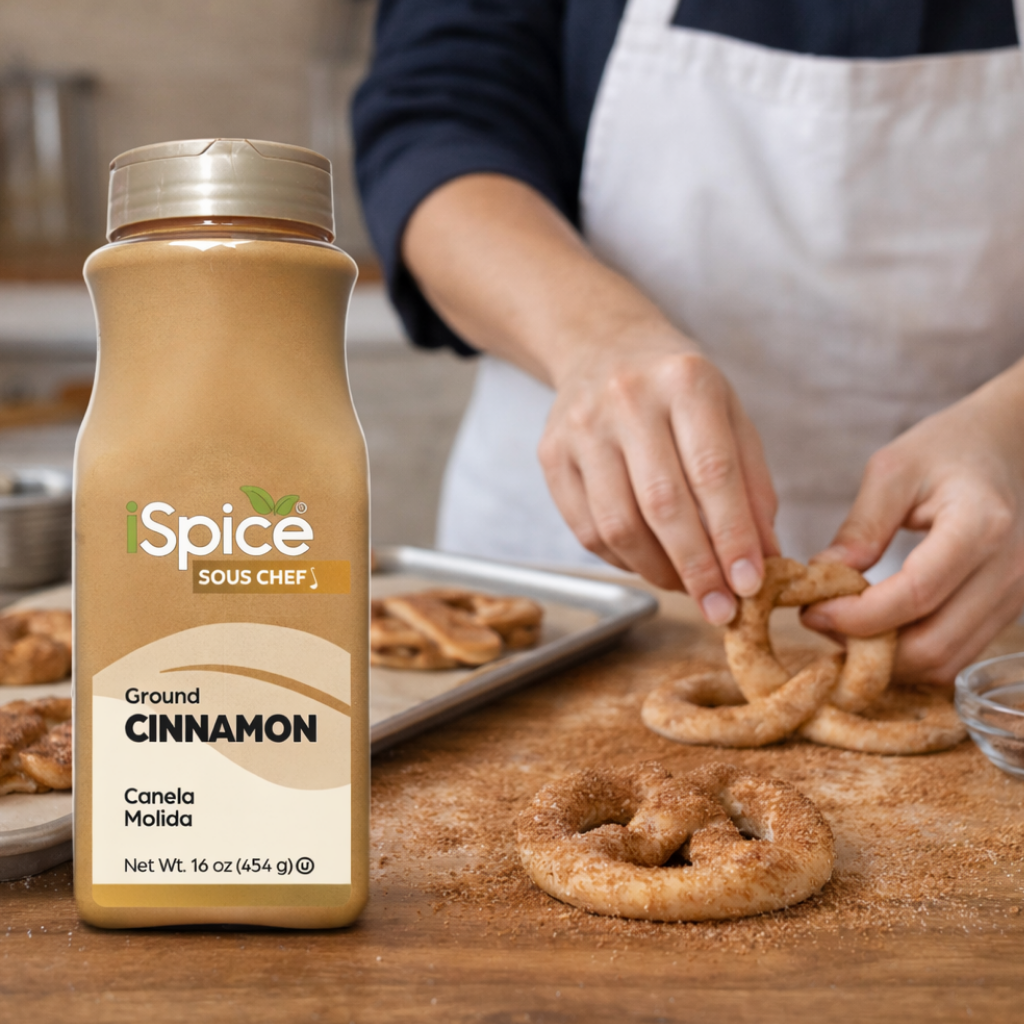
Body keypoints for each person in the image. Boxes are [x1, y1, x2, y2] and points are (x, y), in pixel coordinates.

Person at [353, 0, 1024, 684]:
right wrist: (596, 339)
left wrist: (1014, 423)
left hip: (996, 569)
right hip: (576, 571)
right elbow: (436, 118)